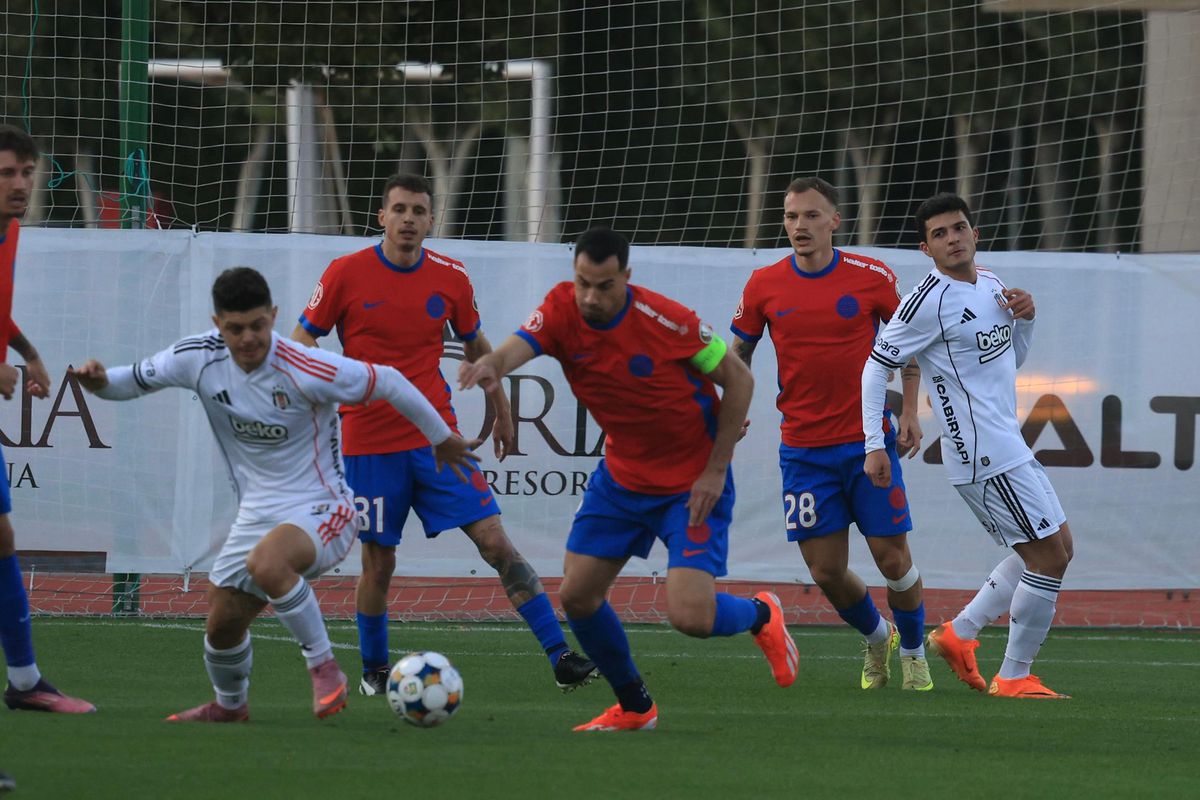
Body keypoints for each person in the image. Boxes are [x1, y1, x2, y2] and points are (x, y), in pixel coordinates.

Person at [73, 267, 480, 721]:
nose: (248, 339)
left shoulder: (305, 366)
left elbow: (389, 382)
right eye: (234, 329)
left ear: (274, 316)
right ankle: (231, 707)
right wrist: (98, 382)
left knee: (267, 563)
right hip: (256, 516)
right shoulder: (197, 358)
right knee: (222, 623)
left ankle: (326, 669)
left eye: (257, 326)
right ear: (217, 324)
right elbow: (131, 379)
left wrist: (440, 437)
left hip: (326, 509)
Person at [459, 227, 799, 732]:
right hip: (621, 479)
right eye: (582, 284)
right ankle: (636, 706)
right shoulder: (560, 309)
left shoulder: (669, 322)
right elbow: (518, 347)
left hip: (691, 483)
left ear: (627, 277)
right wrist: (491, 364)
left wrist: (715, 469)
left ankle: (760, 616)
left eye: (604, 285)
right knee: (577, 596)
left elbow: (739, 379)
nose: (591, 297)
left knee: (690, 617)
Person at [291, 173, 596, 696]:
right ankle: (374, 670)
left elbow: (478, 346)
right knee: (379, 560)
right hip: (369, 443)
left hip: (439, 439)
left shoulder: (450, 277)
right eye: (399, 209)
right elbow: (301, 341)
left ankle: (561, 655)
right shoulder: (344, 273)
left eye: (419, 211)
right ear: (381, 217)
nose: (409, 219)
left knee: (496, 542)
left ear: (431, 220)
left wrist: (500, 409)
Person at [862, 192, 1074, 699]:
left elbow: (1011, 359)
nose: (952, 238)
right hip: (982, 453)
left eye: (958, 228)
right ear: (926, 248)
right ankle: (1014, 676)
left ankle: (959, 635)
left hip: (1009, 444)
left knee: (1058, 549)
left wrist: (1027, 318)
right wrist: (876, 440)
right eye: (940, 234)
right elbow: (875, 366)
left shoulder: (994, 284)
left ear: (975, 234)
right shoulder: (925, 301)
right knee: (1048, 558)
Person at [730, 177, 931, 691]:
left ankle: (912, 652)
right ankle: (877, 636)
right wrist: (727, 409)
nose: (801, 226)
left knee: (892, 558)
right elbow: (738, 357)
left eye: (812, 216)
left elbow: (907, 348)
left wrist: (909, 410)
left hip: (869, 442)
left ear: (835, 222)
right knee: (825, 570)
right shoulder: (763, 284)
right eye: (793, 216)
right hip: (802, 449)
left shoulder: (872, 276)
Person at [0, 124, 95, 714]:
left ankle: (26, 680)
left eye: (27, 172)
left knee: (3, 539)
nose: (20, 184)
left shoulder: (9, 231)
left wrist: (27, 352)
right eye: (7, 172)